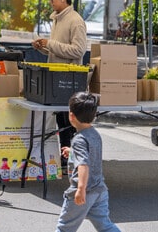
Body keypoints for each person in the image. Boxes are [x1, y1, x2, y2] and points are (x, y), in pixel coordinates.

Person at [32, 0, 87, 153]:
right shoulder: (58, 19)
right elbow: (57, 50)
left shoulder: (76, 21)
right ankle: (65, 160)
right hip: (56, 79)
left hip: (68, 81)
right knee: (62, 121)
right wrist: (43, 48)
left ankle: (71, 159)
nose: (51, 1)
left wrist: (51, 44)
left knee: (68, 123)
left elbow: (78, 51)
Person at [55, 92, 120, 232]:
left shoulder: (79, 139)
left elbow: (83, 164)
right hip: (100, 190)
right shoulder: (94, 133)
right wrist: (73, 153)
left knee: (64, 228)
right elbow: (91, 155)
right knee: (105, 226)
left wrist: (80, 189)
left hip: (84, 192)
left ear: (71, 116)